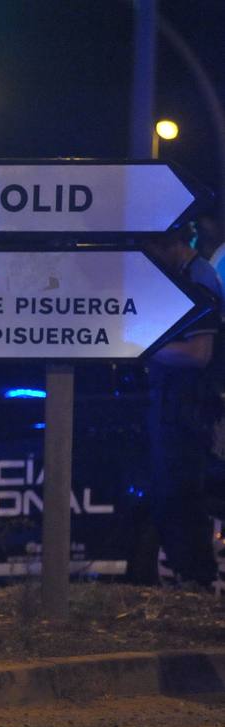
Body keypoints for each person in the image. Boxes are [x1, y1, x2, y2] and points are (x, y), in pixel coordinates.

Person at [144, 219, 225, 589]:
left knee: (182, 494)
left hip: (189, 407)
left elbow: (198, 354)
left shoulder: (198, 279)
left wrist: (143, 349)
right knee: (173, 494)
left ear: (167, 245)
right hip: (178, 404)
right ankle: (189, 575)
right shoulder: (193, 274)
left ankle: (197, 577)